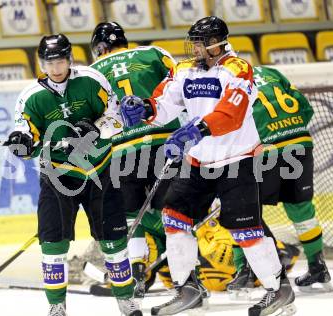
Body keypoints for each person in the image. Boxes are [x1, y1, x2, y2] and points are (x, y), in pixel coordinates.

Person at [120, 16, 296, 316]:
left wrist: (196, 129)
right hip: (197, 163)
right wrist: (145, 108)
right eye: (195, 43)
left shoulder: (238, 70)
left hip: (236, 162)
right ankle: (187, 290)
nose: (195, 48)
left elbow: (232, 114)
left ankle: (278, 289)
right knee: (174, 219)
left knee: (246, 232)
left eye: (200, 43)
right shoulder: (184, 69)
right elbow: (165, 103)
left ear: (217, 44)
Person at [7, 34, 141, 316]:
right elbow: (26, 133)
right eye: (49, 62)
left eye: (59, 60)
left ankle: (126, 301)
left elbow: (116, 115)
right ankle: (57, 307)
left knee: (113, 242)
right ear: (42, 63)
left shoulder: (92, 80)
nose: (55, 68)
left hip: (100, 171)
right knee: (53, 244)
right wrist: (21, 141)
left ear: (69, 59)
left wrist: (97, 129)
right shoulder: (31, 97)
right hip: (57, 177)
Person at [89, 22, 181, 298]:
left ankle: (138, 273)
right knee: (177, 215)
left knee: (130, 215)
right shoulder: (153, 54)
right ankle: (187, 280)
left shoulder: (91, 73)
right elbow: (181, 86)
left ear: (100, 48)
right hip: (164, 143)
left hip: (120, 151)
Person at [228, 65, 333, 295]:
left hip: (265, 148)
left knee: (242, 207)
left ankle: (245, 271)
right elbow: (304, 107)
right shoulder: (270, 72)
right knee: (301, 209)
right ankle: (318, 267)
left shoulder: (225, 78)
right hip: (299, 143)